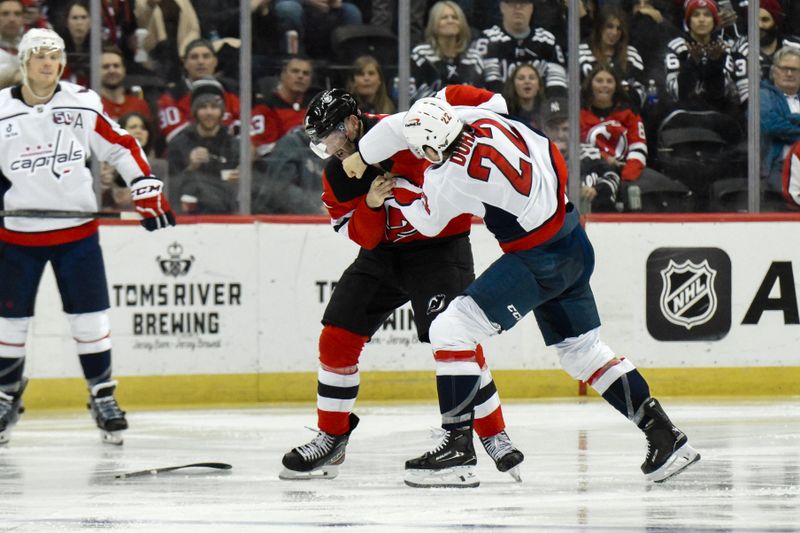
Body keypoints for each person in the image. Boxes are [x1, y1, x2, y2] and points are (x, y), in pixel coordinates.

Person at [346, 94, 700, 488]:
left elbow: (428, 222)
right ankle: (665, 435)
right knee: (582, 353)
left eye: (423, 151)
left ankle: (457, 449)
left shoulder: (450, 177)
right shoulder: (483, 117)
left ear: (432, 146)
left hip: (537, 260)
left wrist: (396, 190)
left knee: (450, 330)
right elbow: (518, 126)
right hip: (572, 239)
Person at [279, 86, 525, 483]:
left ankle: (493, 435)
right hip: (382, 256)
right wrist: (372, 205)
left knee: (455, 343)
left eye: (332, 136)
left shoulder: (407, 133)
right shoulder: (336, 175)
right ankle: (332, 436)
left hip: (439, 251)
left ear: (354, 124)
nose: (328, 147)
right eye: (321, 140)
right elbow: (359, 235)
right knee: (337, 336)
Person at [0, 28, 175, 446]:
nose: (49, 63)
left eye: (56, 56)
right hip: (17, 235)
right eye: (40, 55)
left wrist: (145, 186)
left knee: (90, 321)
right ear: (24, 62)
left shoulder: (81, 103)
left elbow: (119, 146)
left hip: (75, 233)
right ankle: (6, 396)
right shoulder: (0, 110)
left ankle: (103, 396)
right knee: (9, 324)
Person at [167, 77, 240, 214]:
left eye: (214, 107)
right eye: (203, 107)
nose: (209, 113)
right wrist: (190, 168)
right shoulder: (178, 143)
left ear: (222, 111)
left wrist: (240, 179)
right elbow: (168, 187)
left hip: (227, 214)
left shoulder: (234, 145)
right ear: (195, 111)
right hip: (187, 216)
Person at [469, 0, 567, 96]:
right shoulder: (485, 41)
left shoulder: (547, 40)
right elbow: (472, 83)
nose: (518, 8)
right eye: (512, 2)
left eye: (524, 2)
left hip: (540, 109)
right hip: (496, 109)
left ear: (531, 7)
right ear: (502, 6)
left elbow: (558, 86)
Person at [664, 0, 742, 116]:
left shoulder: (724, 48)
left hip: (718, 114)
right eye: (696, 15)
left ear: (715, 21)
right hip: (684, 114)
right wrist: (692, 63)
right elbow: (677, 93)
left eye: (707, 15)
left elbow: (720, 93)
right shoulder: (676, 48)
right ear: (688, 21)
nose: (701, 19)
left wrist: (715, 64)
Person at [543, 97, 620, 212]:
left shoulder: (589, 153)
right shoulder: (536, 157)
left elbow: (612, 176)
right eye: (555, 129)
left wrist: (596, 190)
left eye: (565, 129)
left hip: (595, 220)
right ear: (545, 131)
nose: (560, 134)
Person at [157, 38, 240, 143]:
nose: (200, 62)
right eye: (194, 57)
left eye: (206, 56)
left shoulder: (231, 90)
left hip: (228, 153)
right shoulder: (171, 96)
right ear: (185, 63)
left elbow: (243, 128)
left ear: (215, 62)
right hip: (187, 156)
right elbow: (176, 138)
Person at [410, 1, 484, 97]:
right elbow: (414, 92)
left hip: (467, 110)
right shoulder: (420, 53)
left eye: (455, 17)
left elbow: (480, 92)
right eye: (444, 18)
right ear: (434, 23)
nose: (450, 21)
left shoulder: (473, 57)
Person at [579, 5, 646, 109]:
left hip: (623, 115)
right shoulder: (581, 52)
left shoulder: (632, 55)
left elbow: (641, 92)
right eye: (609, 26)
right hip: (587, 114)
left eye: (619, 28)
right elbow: (573, 88)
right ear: (600, 27)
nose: (614, 33)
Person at [251, 56, 314, 158]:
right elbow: (262, 150)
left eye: (305, 73)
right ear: (283, 75)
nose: (300, 76)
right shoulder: (265, 107)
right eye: (295, 71)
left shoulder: (315, 108)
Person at [760, 46, 800, 193]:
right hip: (779, 167)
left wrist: (790, 119)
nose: (789, 74)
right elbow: (770, 124)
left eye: (795, 69)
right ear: (774, 71)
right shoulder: (762, 95)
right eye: (784, 68)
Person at [101, 111, 157, 209]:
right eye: (133, 127)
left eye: (143, 128)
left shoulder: (156, 164)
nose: (139, 131)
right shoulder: (107, 163)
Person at [99, 45, 153, 122]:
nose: (111, 70)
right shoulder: (93, 105)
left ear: (124, 70)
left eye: (116, 66)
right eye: (106, 67)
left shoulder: (140, 105)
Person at [502, 62, 545, 129]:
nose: (527, 81)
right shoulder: (505, 115)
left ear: (538, 85)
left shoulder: (546, 113)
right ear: (513, 85)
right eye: (521, 78)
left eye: (532, 78)